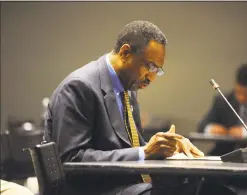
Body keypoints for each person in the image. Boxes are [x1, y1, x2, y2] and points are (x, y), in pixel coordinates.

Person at [44, 20, 235, 195]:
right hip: (96, 190)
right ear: (125, 52)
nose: (151, 77)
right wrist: (145, 152)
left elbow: (129, 146)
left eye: (157, 70)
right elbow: (71, 160)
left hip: (128, 185)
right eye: (150, 66)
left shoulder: (128, 87)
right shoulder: (79, 87)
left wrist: (168, 147)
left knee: (212, 190)